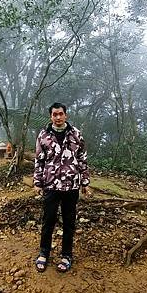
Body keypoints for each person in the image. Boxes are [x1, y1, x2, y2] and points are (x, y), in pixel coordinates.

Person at [33, 102, 90, 273]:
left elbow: (82, 159)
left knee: (69, 222)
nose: (58, 117)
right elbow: (39, 161)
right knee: (48, 220)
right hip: (50, 185)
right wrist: (37, 182)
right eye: (54, 114)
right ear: (50, 116)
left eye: (60, 114)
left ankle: (66, 255)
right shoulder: (43, 135)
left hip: (71, 185)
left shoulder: (76, 134)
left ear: (66, 115)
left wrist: (85, 182)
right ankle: (44, 253)